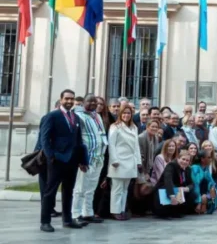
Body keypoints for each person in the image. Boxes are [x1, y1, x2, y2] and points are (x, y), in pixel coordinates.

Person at [39, 90, 88, 232]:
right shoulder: (52, 116)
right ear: (61, 99)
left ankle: (67, 219)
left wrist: (81, 160)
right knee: (50, 192)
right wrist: (51, 156)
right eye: (67, 98)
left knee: (68, 191)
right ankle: (45, 221)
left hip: (72, 160)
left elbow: (78, 140)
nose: (69, 101)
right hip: (57, 160)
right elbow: (44, 138)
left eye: (72, 99)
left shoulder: (75, 117)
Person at [69, 95, 107, 225]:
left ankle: (88, 213)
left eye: (95, 102)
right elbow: (76, 139)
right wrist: (80, 160)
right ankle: (75, 214)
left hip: (98, 157)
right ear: (83, 102)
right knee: (80, 188)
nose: (93, 104)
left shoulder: (97, 116)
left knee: (91, 187)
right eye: (90, 101)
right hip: (86, 158)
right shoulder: (78, 115)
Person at [107, 105, 142, 221]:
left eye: (128, 113)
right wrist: (114, 160)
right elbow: (111, 144)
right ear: (120, 114)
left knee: (125, 188)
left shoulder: (134, 127)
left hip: (130, 161)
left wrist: (138, 161)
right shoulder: (115, 127)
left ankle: (122, 209)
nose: (126, 115)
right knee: (117, 188)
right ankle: (115, 211)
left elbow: (136, 146)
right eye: (124, 113)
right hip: (119, 161)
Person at [153, 153, 195, 219]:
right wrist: (172, 196)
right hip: (165, 189)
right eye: (183, 159)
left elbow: (192, 184)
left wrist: (187, 188)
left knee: (192, 193)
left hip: (178, 190)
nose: (185, 162)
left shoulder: (188, 169)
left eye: (187, 160)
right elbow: (168, 181)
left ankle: (178, 211)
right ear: (178, 159)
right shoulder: (171, 165)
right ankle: (163, 212)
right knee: (169, 189)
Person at [189, 150, 217, 214]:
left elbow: (211, 181)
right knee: (203, 195)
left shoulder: (206, 168)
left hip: (203, 192)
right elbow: (196, 185)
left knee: (213, 188)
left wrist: (212, 187)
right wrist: (199, 202)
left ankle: (209, 204)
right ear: (202, 159)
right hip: (194, 194)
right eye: (209, 157)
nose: (211, 159)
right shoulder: (195, 168)